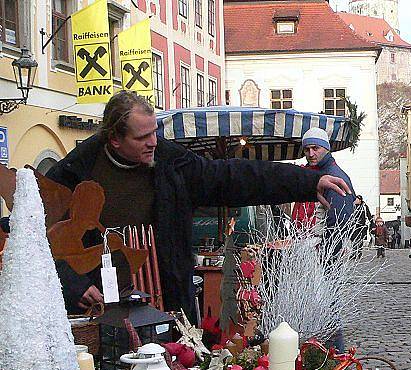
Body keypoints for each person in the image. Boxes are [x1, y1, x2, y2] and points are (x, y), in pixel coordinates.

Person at [48, 91, 349, 318]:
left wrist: (307, 183)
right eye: (143, 137)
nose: (153, 141)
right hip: (100, 305)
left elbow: (232, 176)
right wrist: (72, 282)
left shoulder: (170, 161)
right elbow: (36, 236)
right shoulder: (76, 171)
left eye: (155, 132)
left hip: (165, 301)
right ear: (115, 139)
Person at [301, 127, 357, 353]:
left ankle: (337, 357)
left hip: (325, 252)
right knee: (322, 306)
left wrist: (327, 252)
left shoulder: (335, 175)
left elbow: (341, 219)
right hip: (318, 249)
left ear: (326, 148)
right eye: (307, 149)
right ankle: (325, 355)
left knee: (328, 308)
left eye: (315, 148)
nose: (311, 153)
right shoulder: (316, 173)